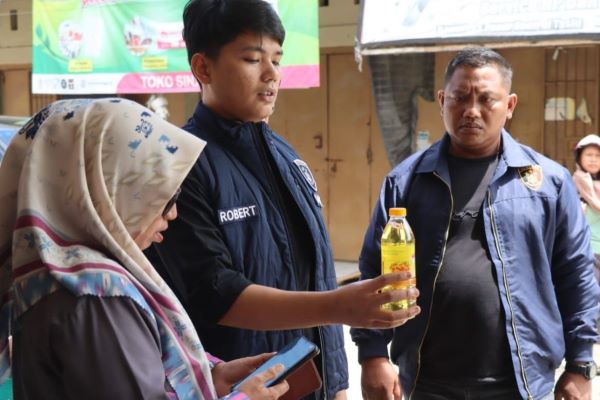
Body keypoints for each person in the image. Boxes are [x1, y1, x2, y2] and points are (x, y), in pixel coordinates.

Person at [144, 1, 421, 399]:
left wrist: (338, 384)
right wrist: (339, 306)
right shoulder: (184, 166)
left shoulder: (286, 155)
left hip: (312, 387)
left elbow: (318, 269)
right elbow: (216, 293)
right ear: (203, 68)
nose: (272, 74)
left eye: (277, 59)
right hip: (243, 387)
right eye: (253, 59)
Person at [351, 47, 600, 400]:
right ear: (441, 100)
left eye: (487, 99)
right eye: (459, 97)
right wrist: (373, 354)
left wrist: (580, 364)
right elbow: (374, 271)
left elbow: (576, 275)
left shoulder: (550, 184)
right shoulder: (405, 182)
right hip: (427, 380)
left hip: (522, 383)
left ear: (510, 105)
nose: (471, 111)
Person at [0, 98, 290, 400]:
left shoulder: (62, 278)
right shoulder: (95, 296)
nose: (172, 214)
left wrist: (210, 378)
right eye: (164, 196)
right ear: (109, 188)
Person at [573, 134, 600, 284]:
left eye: (598, 155)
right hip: (586, 249)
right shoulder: (573, 182)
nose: (593, 159)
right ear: (579, 157)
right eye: (589, 154)